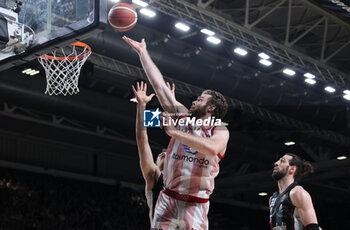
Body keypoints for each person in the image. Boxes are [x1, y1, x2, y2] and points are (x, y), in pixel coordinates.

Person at [123, 36, 229, 230]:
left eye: (200, 99)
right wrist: (143, 53)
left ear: (211, 107)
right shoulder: (182, 117)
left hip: (195, 203)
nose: (194, 101)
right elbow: (159, 86)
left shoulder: (219, 129)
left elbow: (212, 148)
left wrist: (174, 132)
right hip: (168, 198)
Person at [132, 81, 175, 225]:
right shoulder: (155, 176)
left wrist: (172, 105)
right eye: (160, 155)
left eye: (166, 152)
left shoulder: (181, 177)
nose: (163, 153)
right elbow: (142, 141)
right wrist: (142, 106)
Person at [270, 153, 320, 230]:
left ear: (292, 169)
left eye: (282, 161)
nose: (276, 163)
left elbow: (313, 227)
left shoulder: (297, 193)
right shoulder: (273, 198)